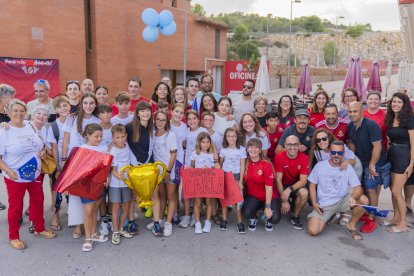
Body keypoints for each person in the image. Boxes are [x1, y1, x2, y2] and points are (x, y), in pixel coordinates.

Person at [0, 99, 56, 250]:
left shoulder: (30, 126)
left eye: (21, 110)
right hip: (15, 176)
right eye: (15, 110)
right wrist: (8, 170)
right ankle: (13, 236)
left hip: (35, 174)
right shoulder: (4, 131)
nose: (19, 113)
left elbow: (39, 144)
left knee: (38, 200)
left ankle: (39, 228)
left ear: (26, 112)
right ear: (8, 112)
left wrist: (43, 151)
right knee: (15, 206)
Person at [307, 140, 369, 240]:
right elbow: (312, 185)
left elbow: (358, 187)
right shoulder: (320, 166)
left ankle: (351, 225)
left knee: (363, 200)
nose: (336, 155)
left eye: (339, 153)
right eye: (333, 152)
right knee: (313, 231)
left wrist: (353, 198)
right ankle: (334, 215)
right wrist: (314, 203)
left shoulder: (347, 167)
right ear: (329, 152)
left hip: (343, 200)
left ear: (344, 154)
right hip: (325, 204)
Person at [61, 92, 101, 239]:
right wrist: (64, 159)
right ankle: (78, 225)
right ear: (81, 104)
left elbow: (99, 141)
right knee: (76, 195)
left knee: (88, 195)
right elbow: (65, 140)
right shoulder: (72, 118)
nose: (88, 106)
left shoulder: (98, 120)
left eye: (91, 103)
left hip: (91, 163)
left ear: (95, 105)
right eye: (85, 103)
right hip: (74, 161)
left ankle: (89, 226)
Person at [347, 101, 390, 234]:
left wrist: (372, 164)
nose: (352, 114)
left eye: (355, 111)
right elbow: (352, 143)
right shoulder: (350, 126)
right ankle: (365, 210)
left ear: (361, 112)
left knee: (371, 189)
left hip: (374, 161)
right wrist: (352, 159)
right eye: (350, 111)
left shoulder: (371, 125)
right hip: (361, 161)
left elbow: (378, 146)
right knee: (361, 187)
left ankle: (371, 218)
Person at [383, 92, 414, 233]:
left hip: (404, 156)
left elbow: (413, 143)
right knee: (392, 189)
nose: (395, 104)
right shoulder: (390, 118)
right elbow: (390, 140)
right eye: (394, 101)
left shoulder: (409, 119)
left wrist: (411, 163)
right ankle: (395, 218)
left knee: (396, 191)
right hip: (393, 154)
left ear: (404, 104)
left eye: (399, 102)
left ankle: (403, 224)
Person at [77, 123, 109, 252]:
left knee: (95, 209)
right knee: (88, 211)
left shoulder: (103, 148)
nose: (99, 139)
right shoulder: (81, 148)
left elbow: (106, 166)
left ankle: (94, 233)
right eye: (96, 136)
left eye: (101, 136)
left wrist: (107, 177)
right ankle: (88, 238)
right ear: (88, 135)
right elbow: (77, 169)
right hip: (86, 185)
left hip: (99, 184)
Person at [125, 101, 154, 235]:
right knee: (132, 196)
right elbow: (123, 145)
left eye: (148, 110)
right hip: (134, 166)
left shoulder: (152, 128)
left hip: (149, 165)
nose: (145, 113)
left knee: (153, 195)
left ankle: (156, 222)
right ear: (137, 113)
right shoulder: (129, 128)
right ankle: (131, 221)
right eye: (142, 110)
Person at [149, 111, 178, 237]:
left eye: (163, 120)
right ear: (154, 120)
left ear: (167, 122)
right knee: (161, 195)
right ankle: (159, 219)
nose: (160, 122)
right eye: (158, 119)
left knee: (171, 196)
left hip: (168, 170)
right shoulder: (152, 135)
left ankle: (168, 223)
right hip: (157, 171)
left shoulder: (170, 135)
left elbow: (173, 154)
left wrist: (168, 171)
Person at [242, 138, 281, 232]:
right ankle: (254, 217)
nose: (253, 150)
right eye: (251, 147)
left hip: (269, 196)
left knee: (274, 218)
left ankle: (266, 216)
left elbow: (269, 187)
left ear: (260, 150)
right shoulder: (244, 162)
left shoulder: (266, 164)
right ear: (247, 149)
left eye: (256, 148)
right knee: (246, 213)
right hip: (253, 195)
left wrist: (268, 207)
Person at [179, 110, 207, 228]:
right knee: (187, 192)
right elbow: (185, 144)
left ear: (198, 120)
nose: (192, 121)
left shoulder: (203, 131)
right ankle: (186, 215)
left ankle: (196, 216)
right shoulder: (187, 131)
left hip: (200, 166)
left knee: (197, 193)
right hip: (188, 164)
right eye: (189, 119)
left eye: (194, 118)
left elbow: (207, 147)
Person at [274, 135, 309, 230]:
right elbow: (278, 179)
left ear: (299, 145)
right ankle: (287, 202)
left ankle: (295, 216)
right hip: (281, 184)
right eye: (289, 145)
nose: (292, 147)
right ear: (285, 145)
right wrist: (284, 200)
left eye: (295, 144)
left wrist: (289, 190)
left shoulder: (304, 158)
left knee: (304, 193)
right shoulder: (279, 156)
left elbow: (303, 181)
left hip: (294, 185)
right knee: (274, 217)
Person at [47, 95, 71, 231]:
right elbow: (54, 147)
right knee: (57, 189)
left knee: (73, 189)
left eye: (65, 105)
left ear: (69, 106)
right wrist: (57, 167)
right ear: (56, 109)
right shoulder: (54, 126)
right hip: (60, 162)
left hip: (74, 160)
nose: (63, 108)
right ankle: (55, 216)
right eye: (60, 106)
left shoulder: (74, 121)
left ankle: (73, 214)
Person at [109, 124, 134, 245]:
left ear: (126, 136)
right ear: (113, 138)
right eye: (117, 138)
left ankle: (121, 229)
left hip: (127, 183)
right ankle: (115, 231)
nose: (120, 140)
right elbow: (113, 170)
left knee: (126, 206)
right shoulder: (113, 150)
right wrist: (117, 176)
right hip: (115, 184)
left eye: (122, 137)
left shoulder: (127, 146)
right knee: (116, 207)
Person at [219, 127, 246, 233]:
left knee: (238, 201)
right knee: (225, 200)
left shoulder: (242, 149)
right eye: (229, 136)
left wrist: (240, 181)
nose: (231, 138)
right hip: (226, 176)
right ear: (226, 137)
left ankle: (240, 221)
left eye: (233, 136)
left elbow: (242, 165)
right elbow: (220, 164)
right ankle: (224, 219)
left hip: (236, 176)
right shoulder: (223, 150)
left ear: (237, 137)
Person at [190, 132, 218, 234]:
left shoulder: (212, 154)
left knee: (209, 202)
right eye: (203, 142)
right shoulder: (195, 154)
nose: (205, 144)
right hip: (198, 181)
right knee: (198, 202)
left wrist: (210, 168)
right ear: (199, 143)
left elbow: (215, 168)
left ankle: (207, 221)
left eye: (207, 142)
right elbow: (192, 167)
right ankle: (197, 222)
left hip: (209, 181)